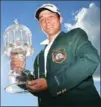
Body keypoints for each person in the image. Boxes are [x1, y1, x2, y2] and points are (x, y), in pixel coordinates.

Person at [11, 3, 101, 107]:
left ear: (60, 19)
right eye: (42, 19)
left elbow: (90, 59)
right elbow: (37, 85)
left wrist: (51, 83)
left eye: (51, 16)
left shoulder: (74, 36)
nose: (46, 21)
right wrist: (18, 73)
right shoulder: (39, 57)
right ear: (40, 25)